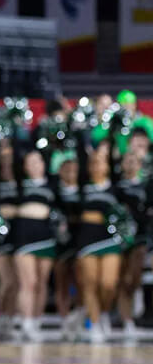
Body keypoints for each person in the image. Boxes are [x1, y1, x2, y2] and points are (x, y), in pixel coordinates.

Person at [76, 145, 124, 343]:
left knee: (108, 284)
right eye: (93, 162)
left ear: (107, 166)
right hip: (87, 240)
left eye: (100, 162)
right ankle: (94, 324)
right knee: (90, 284)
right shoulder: (82, 187)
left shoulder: (116, 189)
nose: (96, 166)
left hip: (109, 239)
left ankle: (104, 312)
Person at [11, 150, 56, 342]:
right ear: (24, 167)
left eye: (38, 161)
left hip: (45, 236)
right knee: (27, 282)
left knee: (41, 283)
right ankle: (26, 322)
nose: (35, 165)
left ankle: (36, 321)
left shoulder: (52, 185)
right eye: (30, 162)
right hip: (24, 237)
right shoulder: (19, 185)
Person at [115, 151, 148, 339]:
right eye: (127, 160)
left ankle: (138, 290)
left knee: (133, 276)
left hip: (141, 236)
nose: (130, 163)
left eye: (134, 160)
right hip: (121, 236)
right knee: (123, 280)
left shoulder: (146, 185)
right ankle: (127, 320)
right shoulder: (117, 187)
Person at [53, 156, 85, 341]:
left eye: (74, 170)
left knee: (81, 281)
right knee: (62, 281)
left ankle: (79, 317)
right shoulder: (56, 192)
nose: (70, 174)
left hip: (80, 239)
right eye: (67, 170)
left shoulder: (83, 191)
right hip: (61, 240)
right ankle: (64, 320)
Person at [0, 143, 19, 340]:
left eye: (10, 157)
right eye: (3, 157)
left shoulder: (20, 184)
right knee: (6, 281)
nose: (7, 161)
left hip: (19, 236)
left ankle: (9, 319)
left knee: (16, 283)